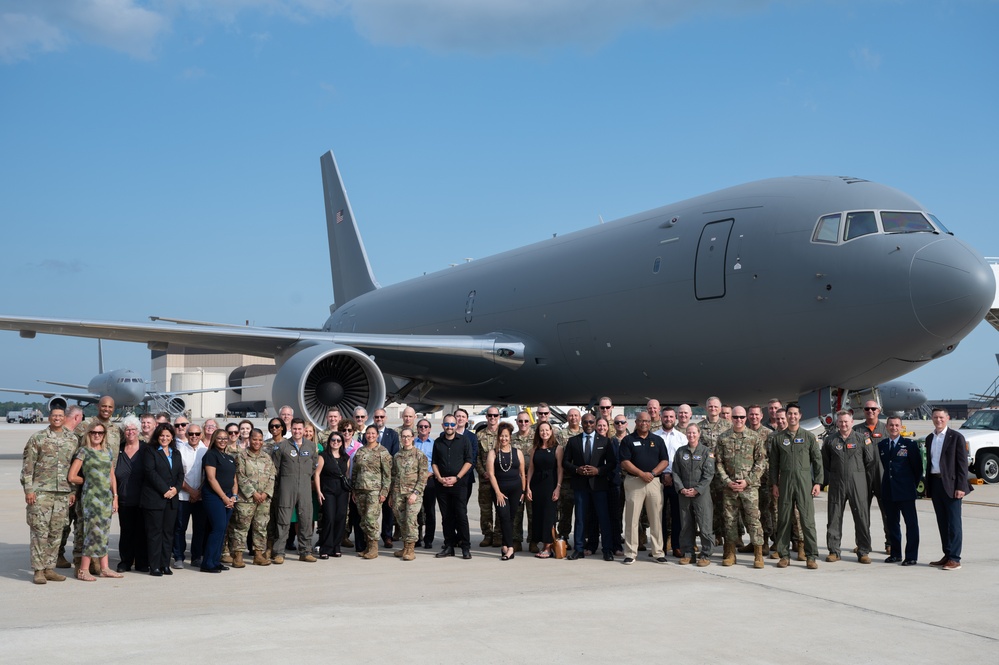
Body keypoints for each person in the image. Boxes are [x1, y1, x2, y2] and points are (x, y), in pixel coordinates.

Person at [21, 407, 78, 584]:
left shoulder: (72, 439)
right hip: (41, 492)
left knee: (56, 532)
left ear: (64, 418)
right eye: (54, 416)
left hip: (62, 493)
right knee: (39, 531)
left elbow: (74, 467)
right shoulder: (38, 438)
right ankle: (38, 570)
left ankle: (49, 568)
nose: (57, 419)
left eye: (60, 416)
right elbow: (28, 466)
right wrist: (29, 490)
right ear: (49, 418)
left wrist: (73, 491)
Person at [770, 404, 823, 569]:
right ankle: (784, 555)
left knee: (807, 521)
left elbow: (817, 461)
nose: (792, 416)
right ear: (786, 416)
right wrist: (774, 484)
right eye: (789, 414)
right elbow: (774, 464)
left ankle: (811, 556)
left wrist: (818, 482)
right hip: (785, 483)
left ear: (800, 415)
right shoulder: (778, 439)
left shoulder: (808, 437)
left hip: (804, 483)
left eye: (794, 414)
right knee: (784, 520)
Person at [67, 420, 121, 581]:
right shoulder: (84, 451)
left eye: (100, 433)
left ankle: (105, 568)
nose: (97, 435)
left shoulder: (107, 451)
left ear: (104, 435)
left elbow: (112, 476)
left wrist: (115, 497)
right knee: (92, 532)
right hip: (91, 499)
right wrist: (89, 480)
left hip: (106, 498)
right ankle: (83, 569)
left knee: (104, 532)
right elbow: (72, 476)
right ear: (89, 434)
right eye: (94, 433)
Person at [715, 406, 767, 568]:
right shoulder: (723, 438)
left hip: (749, 488)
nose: (739, 420)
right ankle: (730, 553)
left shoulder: (754, 437)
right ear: (731, 418)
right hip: (729, 487)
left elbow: (761, 462)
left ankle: (758, 553)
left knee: (753, 520)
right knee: (729, 520)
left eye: (742, 417)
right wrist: (727, 481)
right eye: (736, 417)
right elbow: (718, 463)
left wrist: (748, 481)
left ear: (746, 418)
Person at [822, 410, 876, 564]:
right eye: (841, 421)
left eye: (846, 421)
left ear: (852, 422)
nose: (843, 424)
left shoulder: (861, 439)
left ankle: (863, 551)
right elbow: (826, 461)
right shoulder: (830, 440)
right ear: (837, 423)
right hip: (837, 483)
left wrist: (857, 473)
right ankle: (834, 551)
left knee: (861, 517)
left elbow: (870, 460)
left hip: (857, 483)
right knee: (834, 517)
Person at [925, 408, 972, 570]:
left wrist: (961, 486)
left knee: (954, 523)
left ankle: (955, 558)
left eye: (941, 417)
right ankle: (947, 554)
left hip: (952, 486)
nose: (938, 420)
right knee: (942, 522)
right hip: (936, 483)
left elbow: (962, 465)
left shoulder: (956, 437)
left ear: (947, 418)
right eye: (936, 417)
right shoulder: (930, 438)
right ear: (932, 418)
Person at [619, 412, 669, 565]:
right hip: (634, 482)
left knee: (656, 518)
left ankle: (658, 552)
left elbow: (665, 460)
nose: (644, 423)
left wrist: (653, 473)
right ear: (636, 422)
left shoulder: (657, 440)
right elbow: (624, 462)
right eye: (641, 421)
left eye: (647, 421)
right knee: (632, 519)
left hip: (653, 482)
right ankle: (630, 553)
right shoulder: (628, 440)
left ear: (650, 423)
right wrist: (641, 473)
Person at [563, 413, 614, 561]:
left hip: (599, 485)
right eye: (586, 422)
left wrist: (598, 470)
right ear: (581, 423)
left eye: (591, 422)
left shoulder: (605, 441)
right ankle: (578, 549)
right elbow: (566, 462)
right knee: (580, 518)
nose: (589, 424)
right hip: (580, 485)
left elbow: (612, 463)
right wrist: (576, 469)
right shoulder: (573, 441)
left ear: (595, 423)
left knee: (604, 518)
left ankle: (607, 549)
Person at [272, 419, 319, 563]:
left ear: (304, 430)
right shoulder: (282, 446)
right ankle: (279, 552)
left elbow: (313, 466)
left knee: (306, 519)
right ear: (290, 429)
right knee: (283, 519)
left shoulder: (311, 446)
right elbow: (276, 468)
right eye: (294, 429)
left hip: (304, 486)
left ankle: (305, 551)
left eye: (300, 429)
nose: (297, 431)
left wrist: (305, 477)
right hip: (287, 486)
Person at [141, 423, 184, 577]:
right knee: (155, 534)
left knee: (168, 533)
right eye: (162, 435)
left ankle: (165, 564)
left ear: (172, 437)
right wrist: (165, 489)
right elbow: (150, 472)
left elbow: (180, 474)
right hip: (155, 499)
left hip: (171, 499)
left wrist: (175, 489)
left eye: (167, 435)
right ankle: (155, 566)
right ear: (157, 436)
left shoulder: (176, 453)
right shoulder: (150, 451)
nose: (164, 438)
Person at [879, 416, 922, 565]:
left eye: (897, 425)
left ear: (901, 427)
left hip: (905, 491)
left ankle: (911, 556)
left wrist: (911, 485)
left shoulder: (909, 444)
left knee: (911, 524)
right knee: (892, 524)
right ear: (887, 427)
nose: (894, 428)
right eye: (891, 425)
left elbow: (918, 469)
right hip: (889, 491)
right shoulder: (883, 444)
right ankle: (896, 554)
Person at [232, 428, 277, 566]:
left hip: (263, 500)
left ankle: (258, 554)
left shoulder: (266, 457)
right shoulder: (241, 456)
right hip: (246, 499)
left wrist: (265, 494)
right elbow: (240, 476)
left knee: (261, 527)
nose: (257, 442)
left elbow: (272, 476)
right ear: (249, 440)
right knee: (241, 527)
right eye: (254, 439)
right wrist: (254, 493)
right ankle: (238, 556)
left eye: (260, 440)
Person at [672, 424, 714, 566]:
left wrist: (697, 489)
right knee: (686, 525)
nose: (691, 435)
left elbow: (708, 475)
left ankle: (706, 554)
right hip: (684, 494)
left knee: (704, 525)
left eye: (694, 433)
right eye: (689, 433)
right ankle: (688, 553)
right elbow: (675, 472)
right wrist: (681, 488)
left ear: (699, 434)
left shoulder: (706, 452)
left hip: (701, 495)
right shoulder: (680, 452)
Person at [433, 414, 474, 559]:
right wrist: (439, 478)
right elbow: (434, 462)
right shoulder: (438, 442)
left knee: (461, 516)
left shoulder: (464, 441)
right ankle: (449, 546)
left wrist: (457, 478)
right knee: (446, 517)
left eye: (452, 424)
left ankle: (465, 547)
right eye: (447, 424)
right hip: (442, 485)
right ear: (443, 426)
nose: (449, 427)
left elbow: (469, 461)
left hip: (459, 485)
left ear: (456, 426)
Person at [351, 425, 392, 559]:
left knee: (371, 519)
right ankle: (368, 546)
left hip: (374, 491)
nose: (370, 436)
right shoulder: (360, 451)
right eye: (368, 433)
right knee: (363, 520)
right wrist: (354, 490)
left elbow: (387, 475)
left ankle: (374, 548)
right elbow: (355, 472)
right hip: (360, 490)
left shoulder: (383, 452)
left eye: (373, 433)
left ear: (377, 435)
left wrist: (384, 492)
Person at [854, 399, 890, 554]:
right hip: (863, 477)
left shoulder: (887, 429)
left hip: (883, 476)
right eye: (867, 409)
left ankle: (890, 542)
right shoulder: (856, 430)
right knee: (862, 513)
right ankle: (863, 543)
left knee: (888, 512)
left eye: (873, 409)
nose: (870, 411)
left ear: (879, 410)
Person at [488, 422, 526, 561]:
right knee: (503, 516)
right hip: (500, 490)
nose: (503, 438)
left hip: (516, 490)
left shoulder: (518, 453)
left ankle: (504, 544)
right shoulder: (493, 453)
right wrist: (497, 492)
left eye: (506, 436)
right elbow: (491, 474)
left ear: (510, 437)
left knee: (510, 518)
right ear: (498, 437)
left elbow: (522, 474)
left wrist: (522, 491)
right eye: (501, 436)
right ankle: (510, 548)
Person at [200, 430, 237, 573]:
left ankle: (216, 560)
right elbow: (211, 478)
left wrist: (234, 496)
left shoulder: (229, 457)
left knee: (222, 530)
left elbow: (234, 479)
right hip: (214, 496)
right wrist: (224, 497)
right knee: (218, 528)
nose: (222, 441)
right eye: (219, 438)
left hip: (228, 496)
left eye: (225, 438)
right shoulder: (211, 455)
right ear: (214, 439)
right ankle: (208, 563)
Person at [390, 427, 430, 561]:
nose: (406, 439)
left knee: (410, 520)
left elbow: (423, 476)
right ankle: (405, 547)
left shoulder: (419, 455)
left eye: (408, 436)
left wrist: (416, 493)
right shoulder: (397, 456)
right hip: (398, 493)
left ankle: (411, 549)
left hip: (413, 494)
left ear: (413, 438)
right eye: (404, 436)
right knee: (401, 521)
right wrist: (392, 495)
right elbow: (394, 475)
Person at [114, 415, 148, 573]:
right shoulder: (118, 449)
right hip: (124, 498)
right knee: (126, 531)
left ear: (138, 431)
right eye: (127, 429)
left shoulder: (146, 449)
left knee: (141, 531)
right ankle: (125, 561)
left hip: (143, 498)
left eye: (133, 429)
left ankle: (141, 561)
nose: (130, 432)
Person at [173, 416, 206, 569]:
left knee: (199, 528)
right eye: (191, 434)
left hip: (200, 497)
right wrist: (191, 491)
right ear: (186, 435)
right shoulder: (179, 451)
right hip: (182, 495)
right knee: (180, 528)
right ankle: (179, 556)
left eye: (197, 434)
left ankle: (196, 557)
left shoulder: (205, 451)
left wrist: (198, 493)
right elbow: (178, 475)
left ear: (201, 435)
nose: (194, 437)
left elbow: (209, 475)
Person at [526, 421, 563, 559]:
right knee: (538, 515)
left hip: (550, 484)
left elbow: (560, 469)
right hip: (537, 485)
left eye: (547, 430)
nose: (544, 433)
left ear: (551, 431)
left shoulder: (557, 448)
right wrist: (528, 487)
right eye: (542, 430)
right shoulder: (535, 448)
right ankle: (543, 544)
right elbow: (531, 469)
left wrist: (558, 487)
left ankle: (548, 546)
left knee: (549, 516)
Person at [655, 407, 687, 558]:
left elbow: (684, 463)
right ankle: (659, 547)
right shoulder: (654, 437)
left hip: (676, 481)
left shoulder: (682, 438)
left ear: (675, 418)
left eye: (671, 417)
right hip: (657, 480)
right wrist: (661, 475)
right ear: (661, 417)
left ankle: (676, 546)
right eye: (665, 416)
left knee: (677, 515)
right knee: (658, 515)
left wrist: (672, 476)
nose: (668, 419)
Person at [315, 430, 350, 558]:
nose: (335, 442)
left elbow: (346, 474)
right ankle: (326, 547)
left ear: (342, 442)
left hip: (342, 491)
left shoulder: (346, 457)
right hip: (328, 490)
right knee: (329, 518)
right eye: (333, 440)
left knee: (340, 518)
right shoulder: (323, 456)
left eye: (338, 440)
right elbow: (317, 474)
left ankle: (336, 546)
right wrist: (319, 491)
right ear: (329, 442)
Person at [475, 406, 501, 547]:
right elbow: (476, 457)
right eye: (490, 415)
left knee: (499, 507)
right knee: (485, 509)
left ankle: (498, 535)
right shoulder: (480, 435)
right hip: (484, 479)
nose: (492, 418)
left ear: (499, 417)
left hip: (499, 479)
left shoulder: (504, 434)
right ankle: (487, 535)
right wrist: (482, 471)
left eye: (495, 415)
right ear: (486, 417)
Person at [414, 418, 438, 549]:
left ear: (429, 429)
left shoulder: (434, 444)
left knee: (429, 511)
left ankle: (429, 539)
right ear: (417, 428)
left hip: (429, 480)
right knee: (416, 511)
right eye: (421, 426)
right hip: (414, 481)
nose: (423, 428)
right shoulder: (412, 443)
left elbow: (437, 462)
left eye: (426, 426)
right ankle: (417, 538)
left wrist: (429, 473)